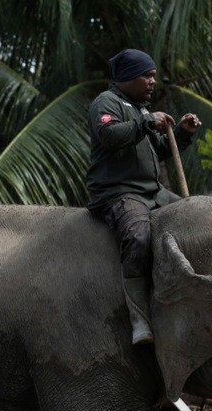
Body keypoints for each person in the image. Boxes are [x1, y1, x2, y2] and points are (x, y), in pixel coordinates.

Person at [86, 48, 201, 345]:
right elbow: (110, 136)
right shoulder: (106, 103)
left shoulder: (140, 108)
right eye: (146, 75)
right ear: (127, 77)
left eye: (153, 76)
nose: (152, 81)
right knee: (138, 235)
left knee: (196, 215)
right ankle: (139, 318)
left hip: (153, 192)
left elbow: (157, 150)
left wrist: (184, 134)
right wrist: (147, 123)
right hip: (119, 192)